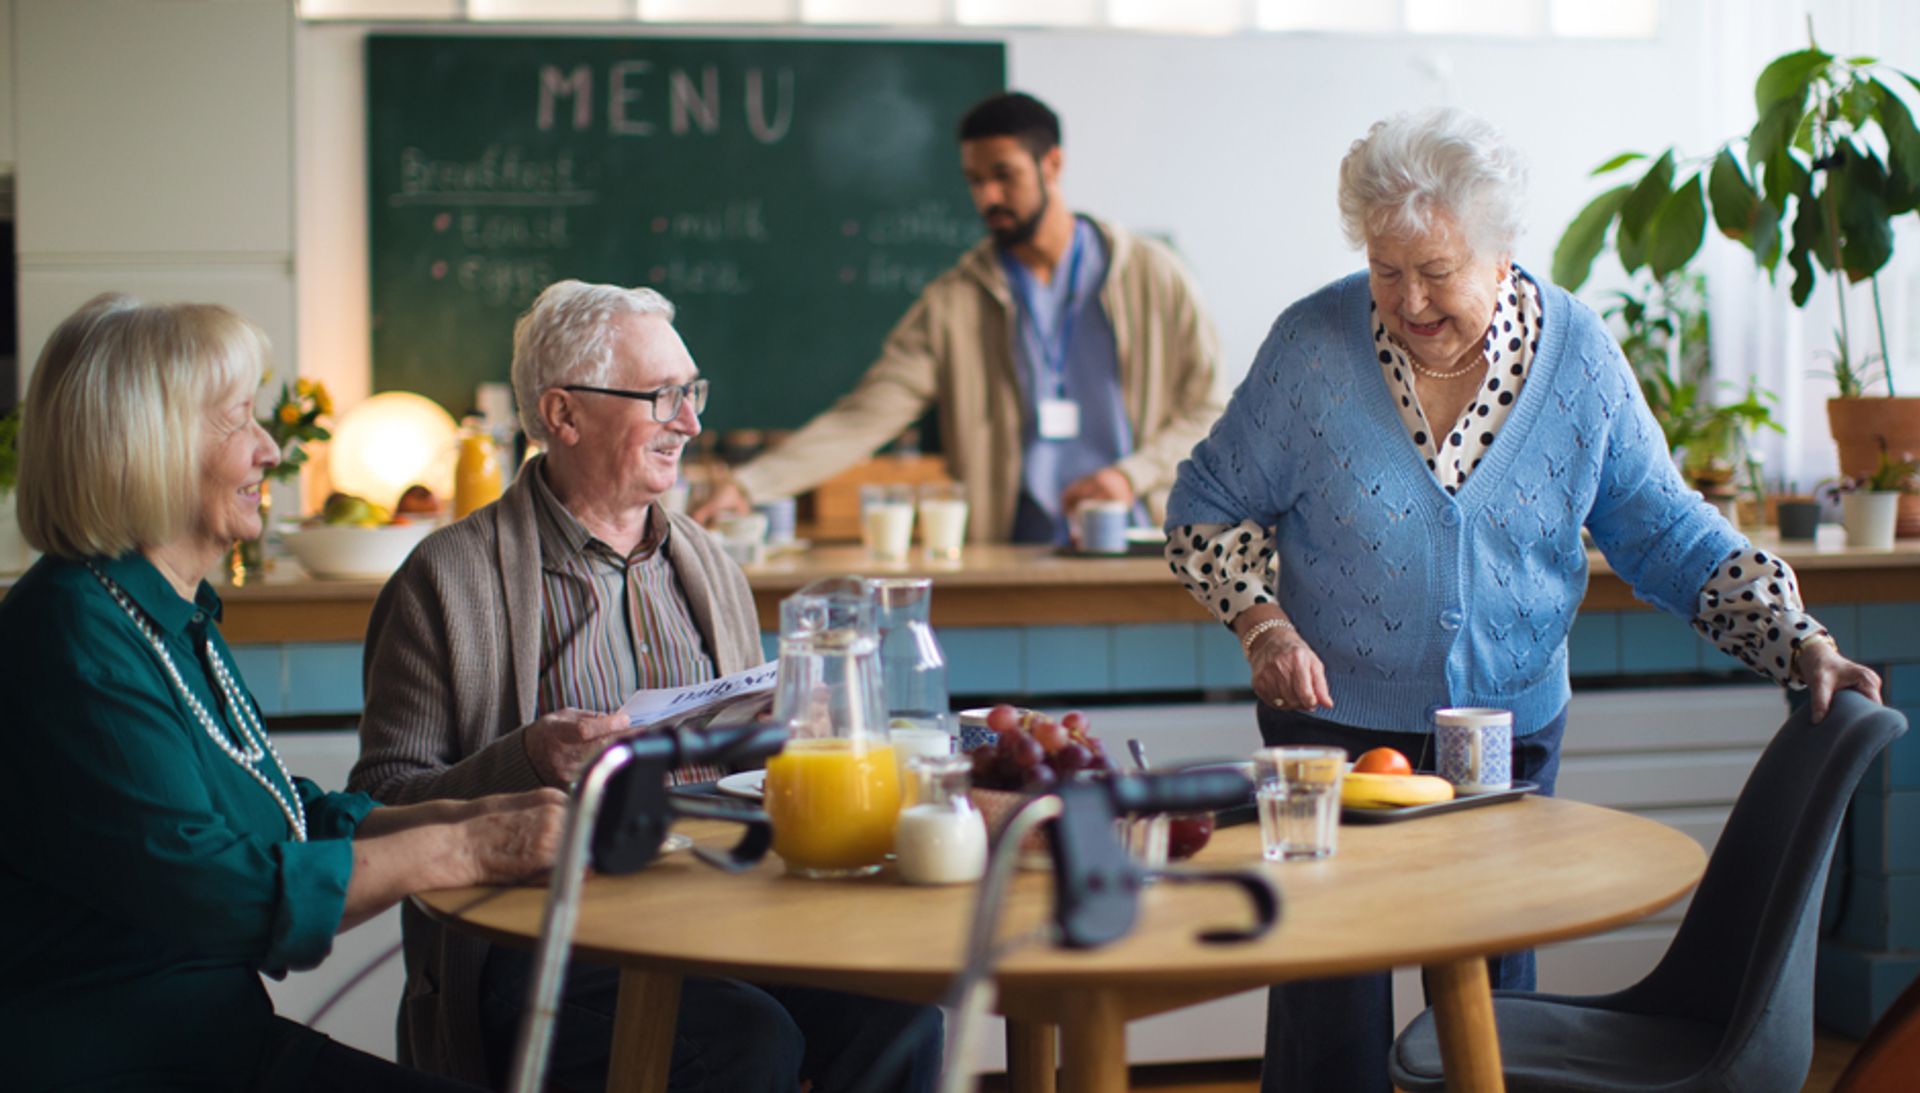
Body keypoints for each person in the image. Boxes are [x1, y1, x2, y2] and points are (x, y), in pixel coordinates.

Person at [1163, 108, 1884, 1093]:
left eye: (1436, 270)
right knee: (1327, 1005)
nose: (1407, 299)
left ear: (1502, 257)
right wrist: (1263, 619)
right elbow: (1204, 508)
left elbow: (1667, 532)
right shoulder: (1310, 349)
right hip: (1328, 731)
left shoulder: (1579, 361)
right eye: (1385, 268)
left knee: (1492, 1007)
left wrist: (1795, 639)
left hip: (1504, 731)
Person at [348, 280, 941, 1093]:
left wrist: (795, 728)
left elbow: (751, 771)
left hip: (719, 910)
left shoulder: (710, 566)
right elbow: (380, 804)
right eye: (662, 396)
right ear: (563, 415)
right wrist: (527, 757)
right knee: (745, 1039)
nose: (691, 424)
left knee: (902, 1013)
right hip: (541, 942)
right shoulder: (442, 580)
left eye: (692, 393)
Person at [0, 294, 567, 1093]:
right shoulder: (73, 635)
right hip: (124, 1061)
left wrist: (479, 813)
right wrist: (469, 849)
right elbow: (221, 888)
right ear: (149, 443)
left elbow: (281, 812)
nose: (270, 449)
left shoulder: (164, 613)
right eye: (240, 420)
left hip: (214, 1043)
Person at [694, 90, 1225, 544]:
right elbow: (863, 418)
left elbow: (1209, 409)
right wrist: (750, 485)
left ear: (1053, 165)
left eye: (1004, 176)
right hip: (1014, 556)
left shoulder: (1155, 276)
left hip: (1142, 543)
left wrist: (1131, 477)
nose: (988, 196)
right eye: (975, 180)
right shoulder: (952, 303)